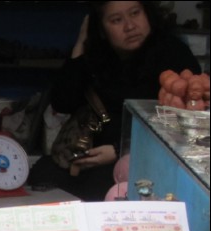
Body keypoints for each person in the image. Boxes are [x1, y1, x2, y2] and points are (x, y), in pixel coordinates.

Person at [28, 1, 200, 201]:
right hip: (90, 155)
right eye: (116, 20)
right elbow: (63, 102)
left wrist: (120, 151)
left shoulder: (173, 53)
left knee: (104, 189)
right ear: (101, 27)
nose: (129, 26)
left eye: (135, 13)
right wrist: (81, 45)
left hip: (145, 157)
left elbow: (185, 125)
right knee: (42, 175)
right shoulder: (98, 55)